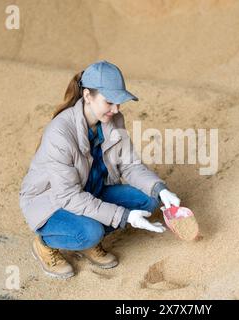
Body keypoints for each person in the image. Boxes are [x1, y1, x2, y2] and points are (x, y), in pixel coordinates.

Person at [19, 60, 180, 279]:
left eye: (119, 102)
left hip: (90, 190)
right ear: (87, 96)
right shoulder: (59, 133)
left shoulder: (113, 119)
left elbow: (130, 165)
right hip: (53, 202)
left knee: (147, 199)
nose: (116, 109)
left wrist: (160, 189)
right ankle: (44, 243)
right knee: (90, 232)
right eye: (109, 102)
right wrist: (124, 216)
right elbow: (68, 196)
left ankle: (89, 241)